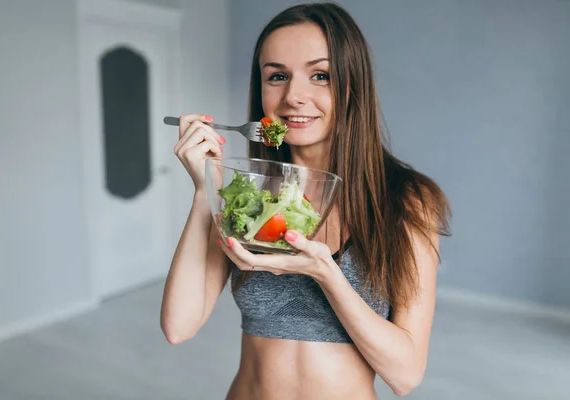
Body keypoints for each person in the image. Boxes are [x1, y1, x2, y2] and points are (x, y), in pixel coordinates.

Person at [160, 2, 451, 399]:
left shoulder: (406, 200)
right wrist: (203, 190)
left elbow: (405, 375)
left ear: (353, 85)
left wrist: (326, 274)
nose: (294, 96)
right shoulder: (248, 195)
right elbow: (179, 327)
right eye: (277, 76)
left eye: (320, 75)